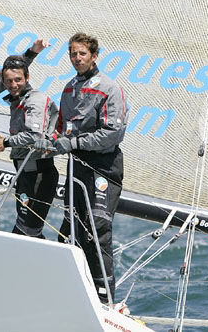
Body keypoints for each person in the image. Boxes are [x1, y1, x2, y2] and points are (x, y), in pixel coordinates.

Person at [36, 32, 128, 304]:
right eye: (73, 54)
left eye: (82, 53)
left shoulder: (110, 88)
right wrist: (50, 142)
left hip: (104, 167)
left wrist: (72, 142)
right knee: (71, 229)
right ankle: (69, 292)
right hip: (77, 166)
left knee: (97, 228)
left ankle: (105, 300)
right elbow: (62, 129)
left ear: (94, 55)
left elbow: (113, 133)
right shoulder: (68, 89)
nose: (77, 58)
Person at [0, 55, 59, 239]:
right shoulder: (18, 100)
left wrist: (6, 142)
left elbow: (34, 135)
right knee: (28, 232)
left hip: (39, 174)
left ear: (27, 77)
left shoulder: (35, 100)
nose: (13, 85)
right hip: (25, 174)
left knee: (25, 232)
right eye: (8, 81)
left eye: (18, 80)